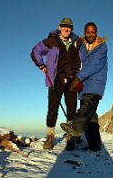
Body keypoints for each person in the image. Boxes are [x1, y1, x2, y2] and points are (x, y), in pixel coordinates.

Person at [31, 18, 81, 150]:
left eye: (69, 27)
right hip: (55, 80)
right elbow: (35, 51)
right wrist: (41, 65)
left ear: (71, 29)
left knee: (72, 110)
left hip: (72, 81)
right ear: (59, 27)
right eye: (64, 26)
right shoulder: (51, 41)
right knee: (52, 110)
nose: (66, 29)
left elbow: (83, 57)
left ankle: (70, 136)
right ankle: (50, 136)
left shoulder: (76, 43)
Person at [60, 22, 108, 151]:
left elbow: (94, 65)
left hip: (95, 84)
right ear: (85, 32)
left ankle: (76, 127)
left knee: (87, 106)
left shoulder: (101, 47)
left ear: (96, 32)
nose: (90, 34)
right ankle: (95, 145)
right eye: (88, 32)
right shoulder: (82, 45)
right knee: (91, 117)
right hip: (84, 86)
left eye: (93, 32)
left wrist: (77, 79)